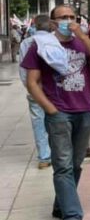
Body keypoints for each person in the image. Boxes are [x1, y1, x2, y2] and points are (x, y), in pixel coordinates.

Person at [22, 5, 90, 220]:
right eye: (63, 17)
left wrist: (82, 36)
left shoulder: (82, 42)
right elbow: (31, 82)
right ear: (52, 23)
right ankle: (72, 217)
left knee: (76, 163)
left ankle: (61, 203)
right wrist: (50, 109)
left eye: (72, 17)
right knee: (62, 165)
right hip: (59, 112)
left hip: (84, 111)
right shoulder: (41, 46)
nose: (69, 21)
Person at [18, 16, 53, 169]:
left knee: (38, 122)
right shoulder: (55, 41)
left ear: (35, 26)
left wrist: (29, 87)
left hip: (35, 89)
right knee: (57, 121)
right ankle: (58, 152)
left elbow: (23, 69)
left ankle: (44, 157)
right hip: (54, 90)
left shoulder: (26, 43)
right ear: (51, 26)